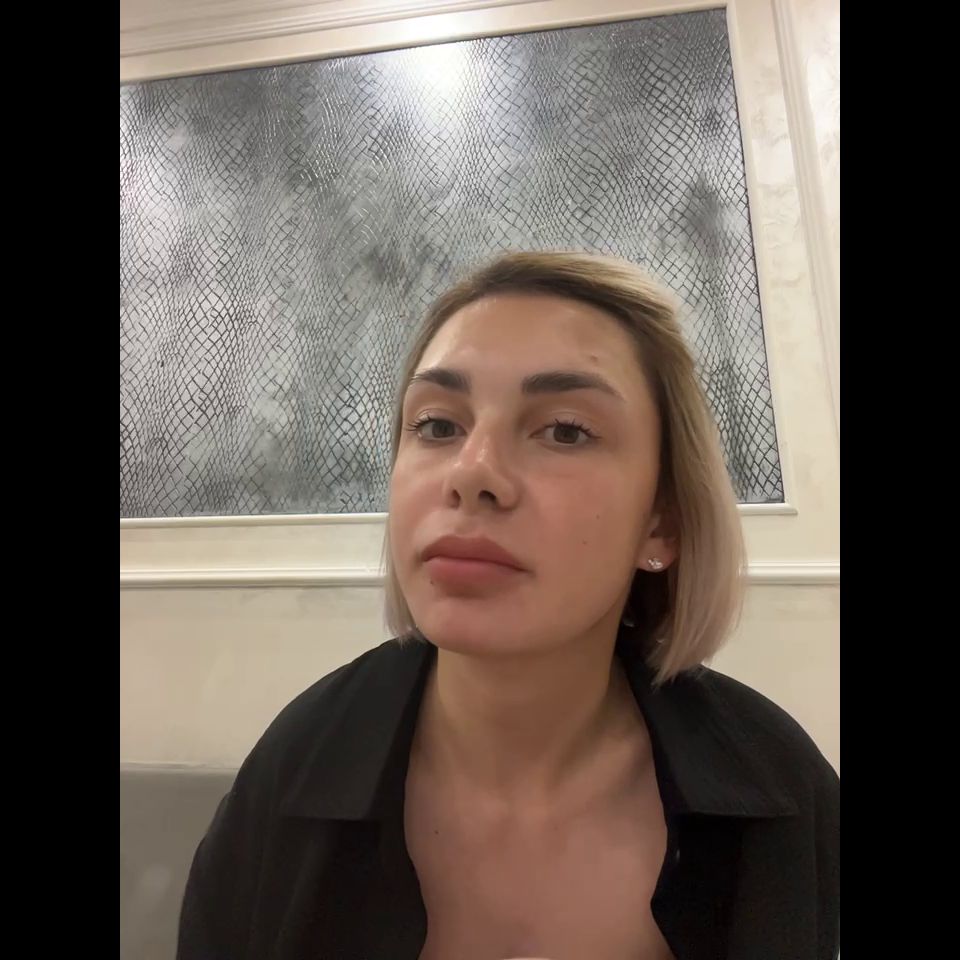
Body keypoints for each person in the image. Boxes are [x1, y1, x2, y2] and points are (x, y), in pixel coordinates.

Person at [177, 251, 840, 960]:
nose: (472, 473)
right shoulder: (293, 772)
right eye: (437, 425)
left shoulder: (782, 794)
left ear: (662, 524)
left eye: (565, 430)